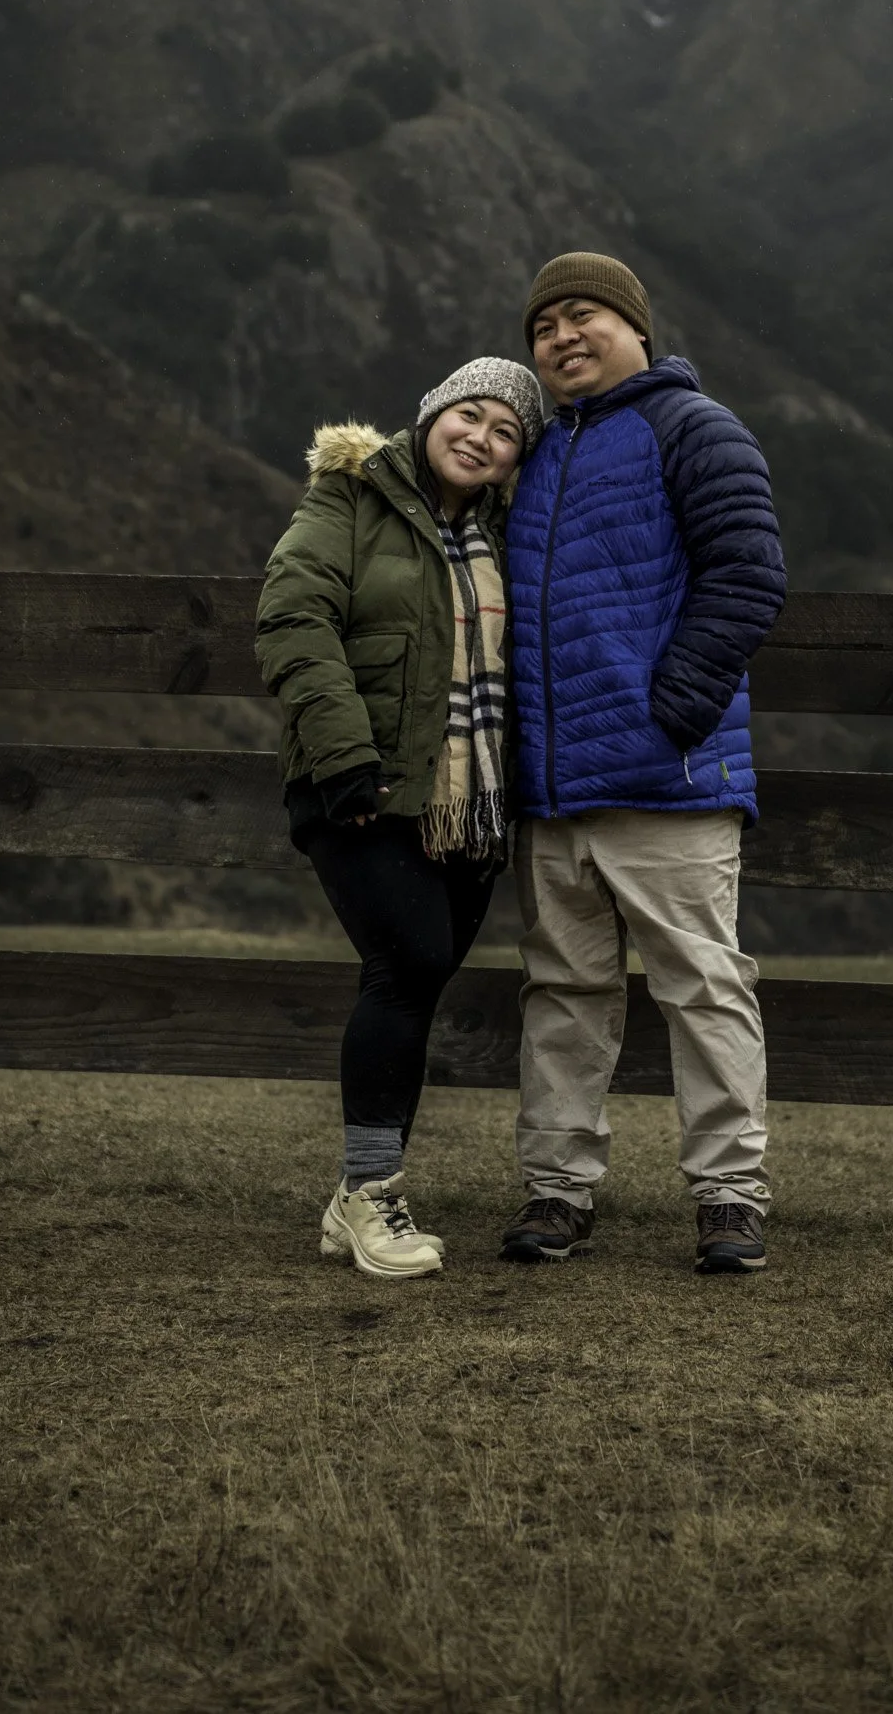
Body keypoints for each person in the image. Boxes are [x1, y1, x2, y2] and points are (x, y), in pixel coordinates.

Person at [500, 253, 787, 1275]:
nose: (562, 338)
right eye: (544, 328)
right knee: (562, 992)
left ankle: (727, 1198)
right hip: (552, 789)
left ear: (633, 327)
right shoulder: (531, 450)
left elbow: (748, 574)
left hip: (664, 780)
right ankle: (557, 1191)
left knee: (700, 987)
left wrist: (668, 715)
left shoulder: (690, 426)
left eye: (582, 317)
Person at [255, 356, 544, 1280]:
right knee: (408, 961)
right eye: (469, 414)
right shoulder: (348, 496)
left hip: (473, 799)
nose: (482, 437)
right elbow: (295, 616)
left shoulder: (505, 530)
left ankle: (358, 1195)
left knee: (416, 982)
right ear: (430, 416)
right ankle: (371, 1194)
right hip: (365, 787)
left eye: (505, 433)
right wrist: (345, 760)